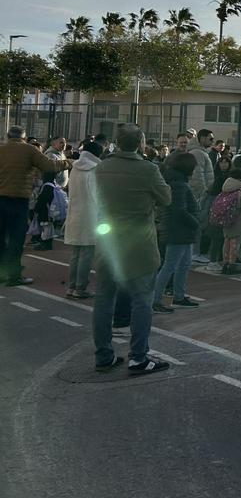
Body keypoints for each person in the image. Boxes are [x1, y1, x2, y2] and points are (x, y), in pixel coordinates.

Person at [92, 124, 172, 374]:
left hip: (108, 242)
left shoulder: (102, 167)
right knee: (141, 301)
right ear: (140, 143)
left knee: (104, 300)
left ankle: (103, 354)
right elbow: (166, 198)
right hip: (139, 244)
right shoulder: (148, 169)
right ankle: (138, 356)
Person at [0, 126, 70, 286]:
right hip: (18, 199)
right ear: (23, 137)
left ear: (7, 136)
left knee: (1, 237)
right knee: (16, 239)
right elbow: (49, 166)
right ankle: (13, 275)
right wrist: (68, 163)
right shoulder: (29, 150)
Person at [150, 152, 201, 313]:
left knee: (182, 265)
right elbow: (179, 210)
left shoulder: (175, 180)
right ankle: (156, 300)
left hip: (179, 230)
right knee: (170, 266)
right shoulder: (179, 183)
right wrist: (195, 222)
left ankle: (179, 295)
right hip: (178, 230)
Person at [64, 141, 103, 300]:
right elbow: (97, 197)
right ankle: (80, 288)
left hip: (74, 213)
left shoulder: (75, 168)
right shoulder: (94, 169)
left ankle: (71, 286)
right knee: (87, 253)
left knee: (75, 253)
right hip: (90, 215)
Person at [218, 168, 241, 275]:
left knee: (227, 241)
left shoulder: (226, 187)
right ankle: (231, 265)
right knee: (235, 243)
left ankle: (225, 264)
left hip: (225, 218)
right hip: (238, 219)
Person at [189, 130, 216, 264]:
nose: (212, 142)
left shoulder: (199, 152)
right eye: (210, 139)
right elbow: (197, 176)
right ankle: (194, 252)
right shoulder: (198, 153)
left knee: (198, 224)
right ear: (202, 138)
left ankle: (194, 252)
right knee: (198, 224)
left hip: (201, 194)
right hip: (200, 195)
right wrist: (203, 193)